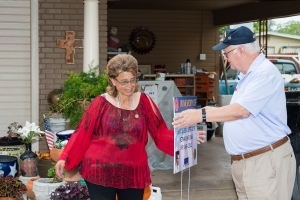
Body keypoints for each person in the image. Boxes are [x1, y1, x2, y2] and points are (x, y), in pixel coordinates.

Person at [55, 54, 206, 200]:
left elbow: (160, 132)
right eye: (124, 82)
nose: (130, 86)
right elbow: (82, 133)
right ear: (113, 81)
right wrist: (65, 158)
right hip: (100, 170)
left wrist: (185, 138)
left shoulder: (145, 101)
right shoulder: (100, 103)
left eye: (133, 80)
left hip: (133, 171)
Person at [172, 26, 296, 200]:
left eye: (226, 52)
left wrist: (201, 115)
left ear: (241, 50)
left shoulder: (264, 73)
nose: (225, 57)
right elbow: (237, 110)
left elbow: (242, 111)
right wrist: (204, 111)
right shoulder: (247, 75)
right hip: (246, 163)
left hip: (264, 162)